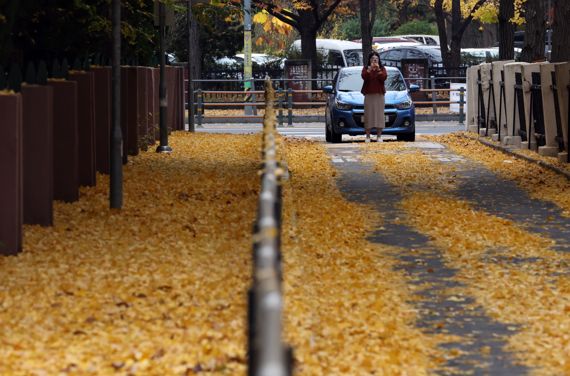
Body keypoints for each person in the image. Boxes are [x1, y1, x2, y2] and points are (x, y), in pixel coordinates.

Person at [361, 51, 387, 142]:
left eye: (376, 59)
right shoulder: (365, 68)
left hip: (379, 95)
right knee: (368, 115)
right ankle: (367, 136)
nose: (374, 61)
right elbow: (364, 77)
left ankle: (379, 136)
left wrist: (378, 69)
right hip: (368, 95)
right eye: (372, 59)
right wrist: (370, 69)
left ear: (379, 60)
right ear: (369, 60)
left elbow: (383, 78)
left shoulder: (382, 68)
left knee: (379, 115)